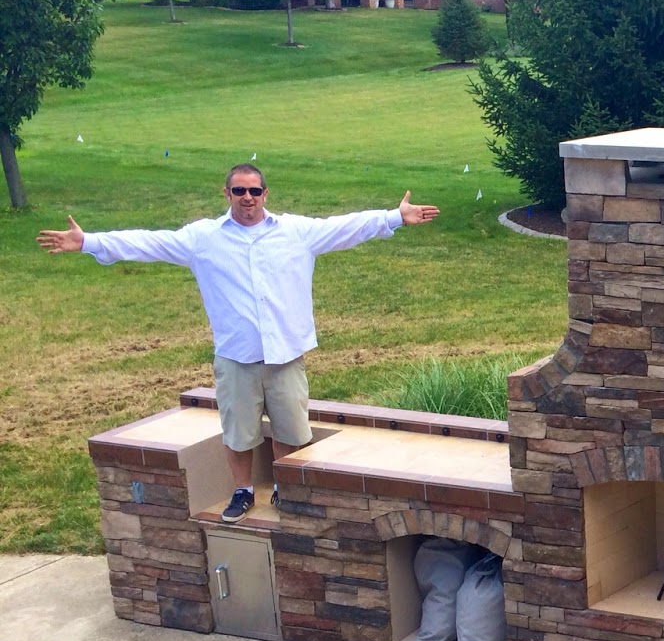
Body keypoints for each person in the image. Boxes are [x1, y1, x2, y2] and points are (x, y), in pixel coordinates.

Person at [38, 164, 440, 522]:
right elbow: (149, 242)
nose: (247, 198)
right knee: (238, 433)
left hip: (285, 353)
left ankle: (286, 488)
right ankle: (243, 491)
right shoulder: (203, 238)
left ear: (266, 194)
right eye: (239, 191)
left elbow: (345, 226)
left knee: (290, 428)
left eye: (254, 191)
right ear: (226, 194)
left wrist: (395, 217)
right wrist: (89, 242)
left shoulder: (296, 233)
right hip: (236, 356)